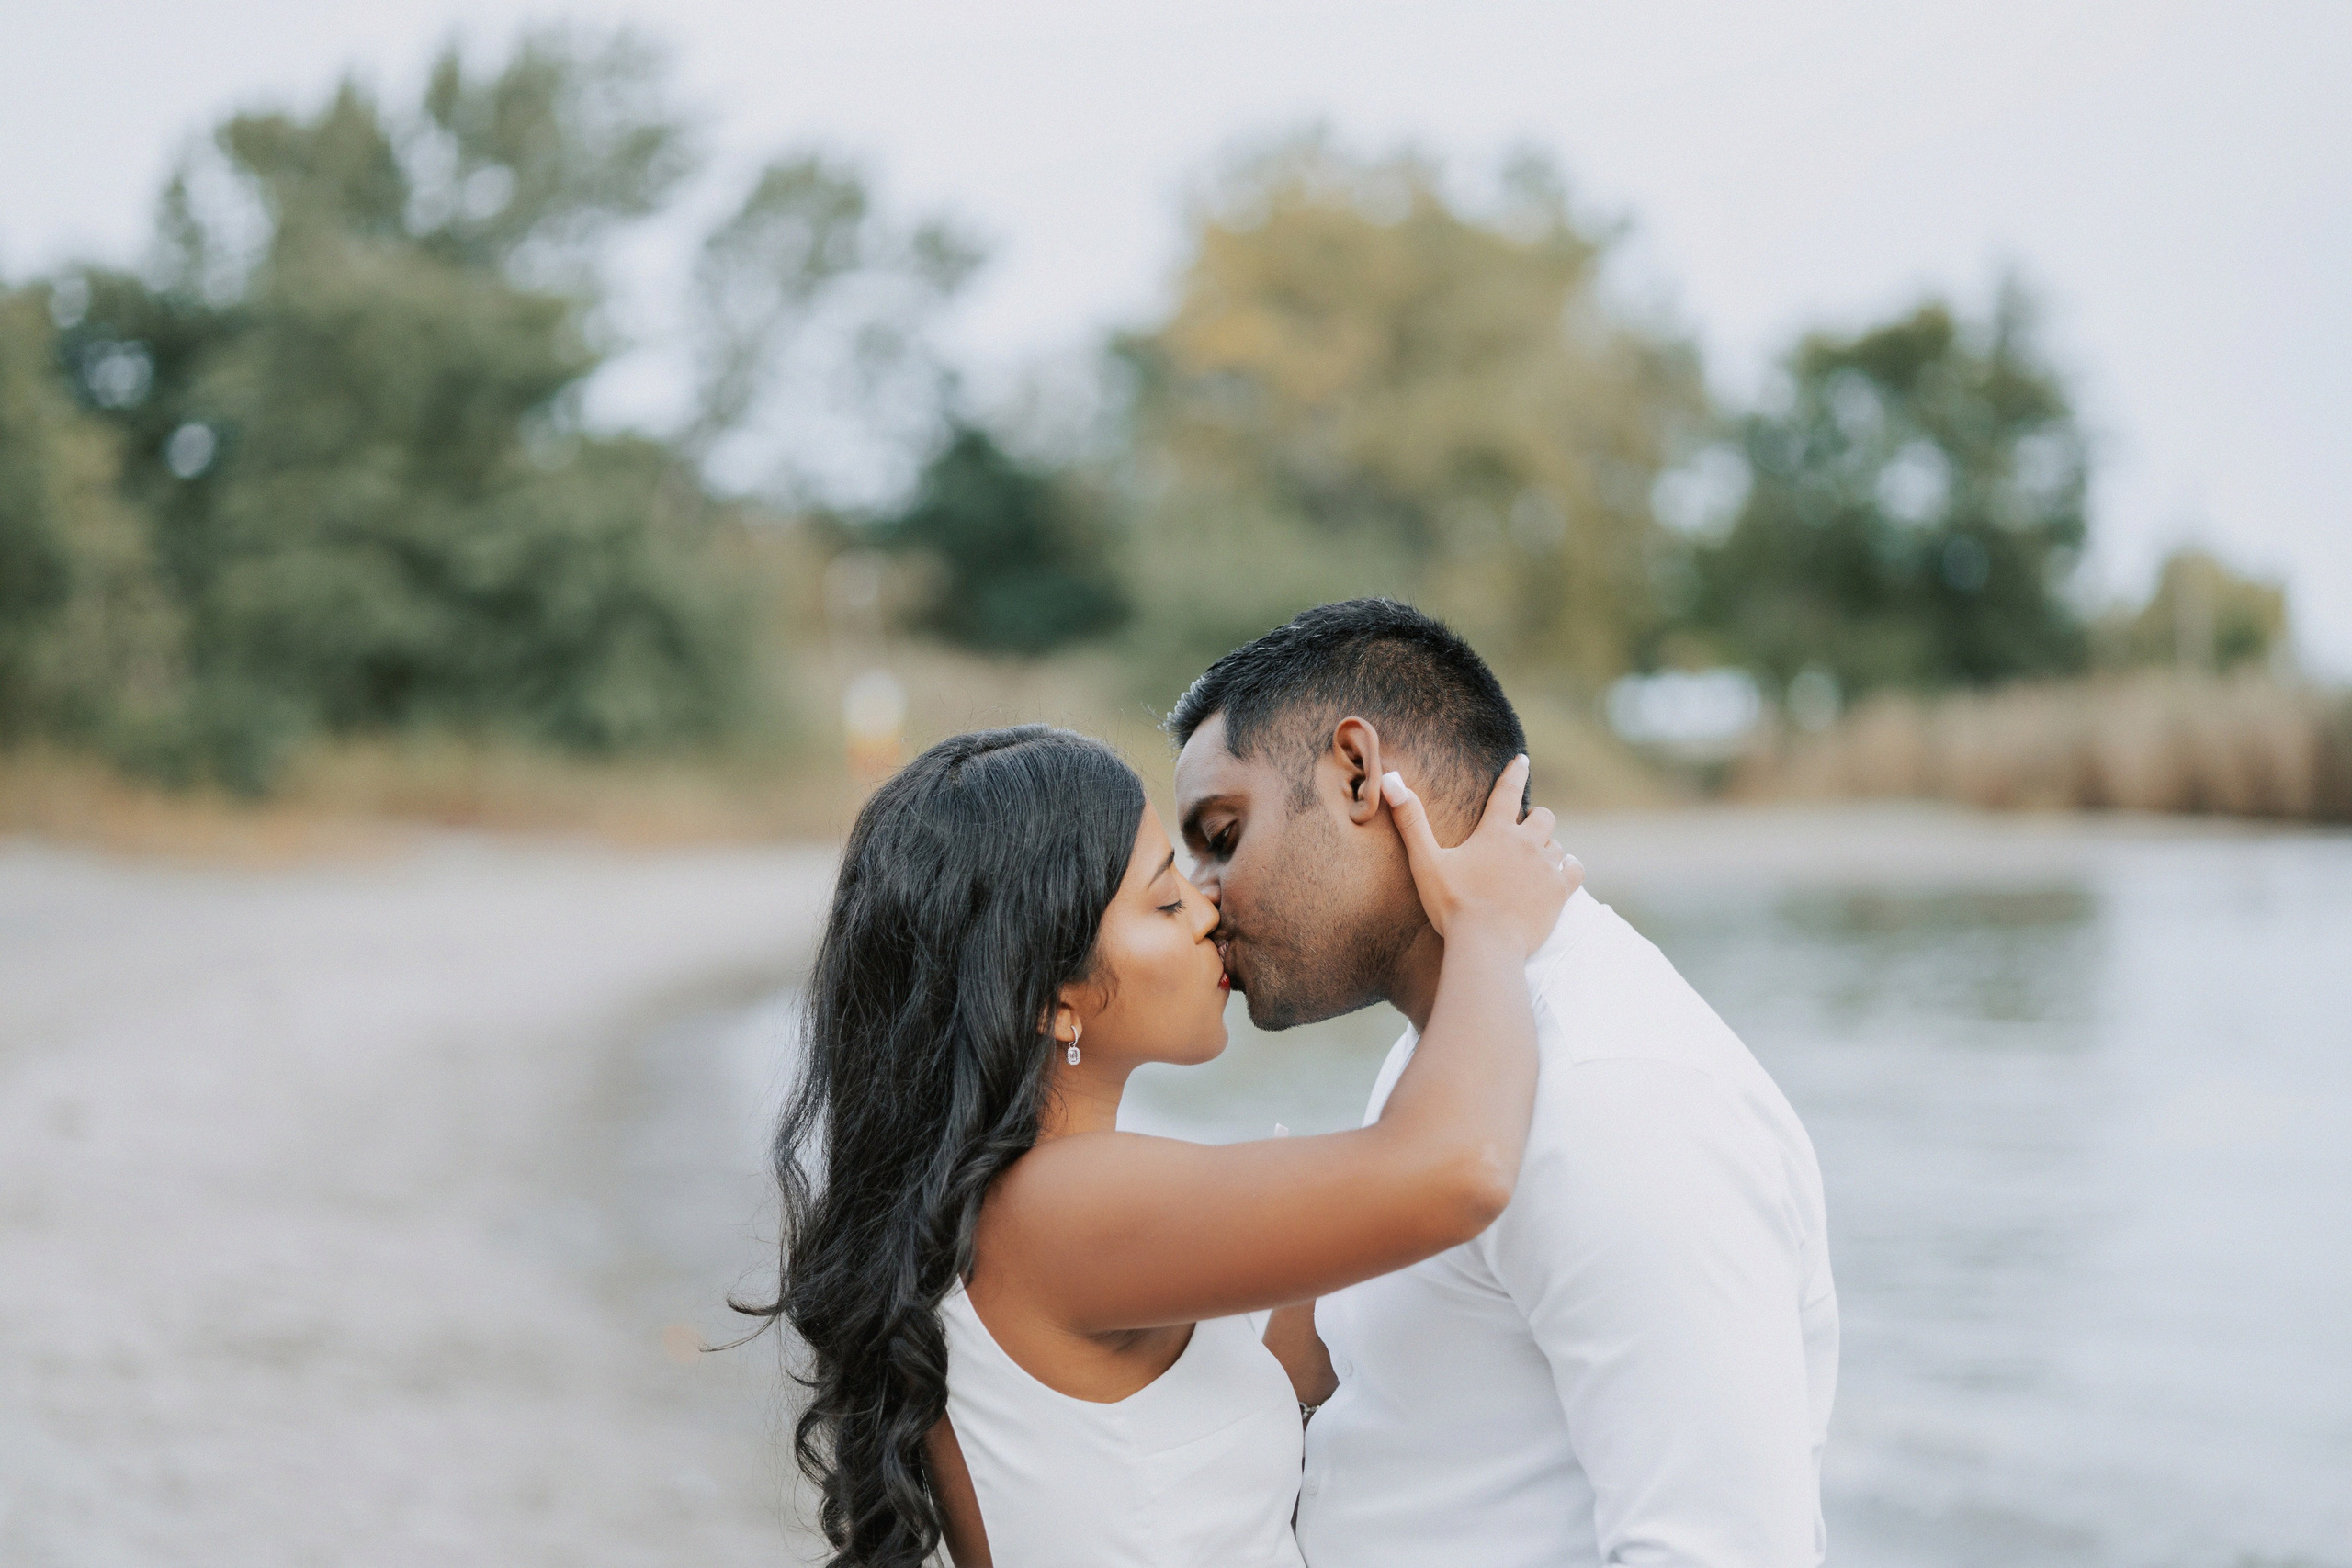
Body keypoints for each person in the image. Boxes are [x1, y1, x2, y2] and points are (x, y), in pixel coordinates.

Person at [738, 721, 1577, 1568]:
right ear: (1051, 998)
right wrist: (1486, 927)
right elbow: (1463, 1170)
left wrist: (1307, 1286)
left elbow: (1177, 1484)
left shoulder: (1005, 1210)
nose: (1208, 911)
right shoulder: (1060, 1205)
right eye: (1166, 900)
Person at [1169, 598, 1840, 1568]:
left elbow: (1722, 1549)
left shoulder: (1615, 1091)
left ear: (1356, 773)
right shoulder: (1460, 1046)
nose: (1200, 899)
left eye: (1223, 835)